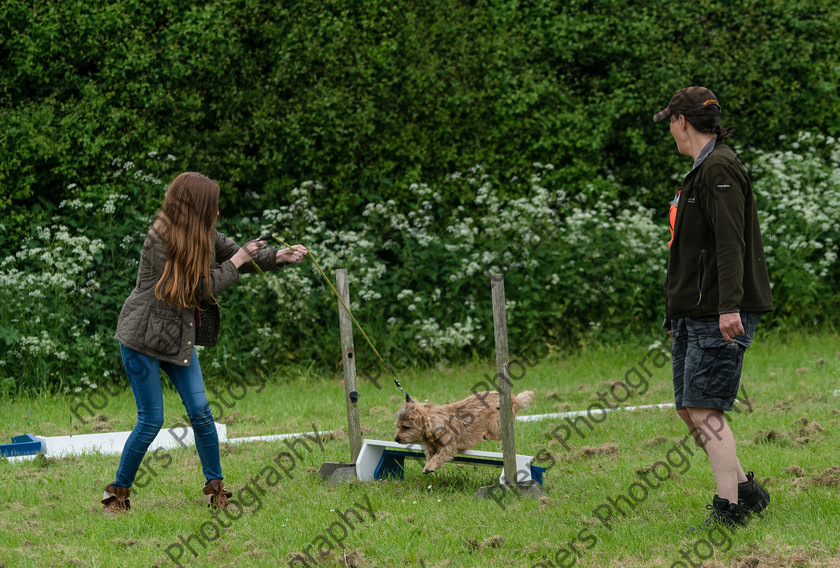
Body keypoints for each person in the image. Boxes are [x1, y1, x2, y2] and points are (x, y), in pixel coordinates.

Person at [101, 171, 307, 513]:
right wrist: (239, 260)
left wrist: (277, 257)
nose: (217, 209)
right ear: (196, 204)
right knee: (151, 420)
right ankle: (118, 492)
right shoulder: (159, 238)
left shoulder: (204, 233)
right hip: (141, 339)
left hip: (178, 338)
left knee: (201, 411)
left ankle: (216, 489)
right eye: (212, 203)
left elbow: (236, 253)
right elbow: (192, 288)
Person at [654, 86, 774, 527]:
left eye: (670, 120)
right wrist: (676, 314)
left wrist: (729, 307)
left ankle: (729, 511)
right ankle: (748, 492)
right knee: (690, 406)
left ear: (681, 122)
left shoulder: (720, 167)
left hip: (719, 311)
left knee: (706, 407)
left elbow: (729, 243)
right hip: (695, 310)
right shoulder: (702, 169)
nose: (669, 129)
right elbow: (688, 251)